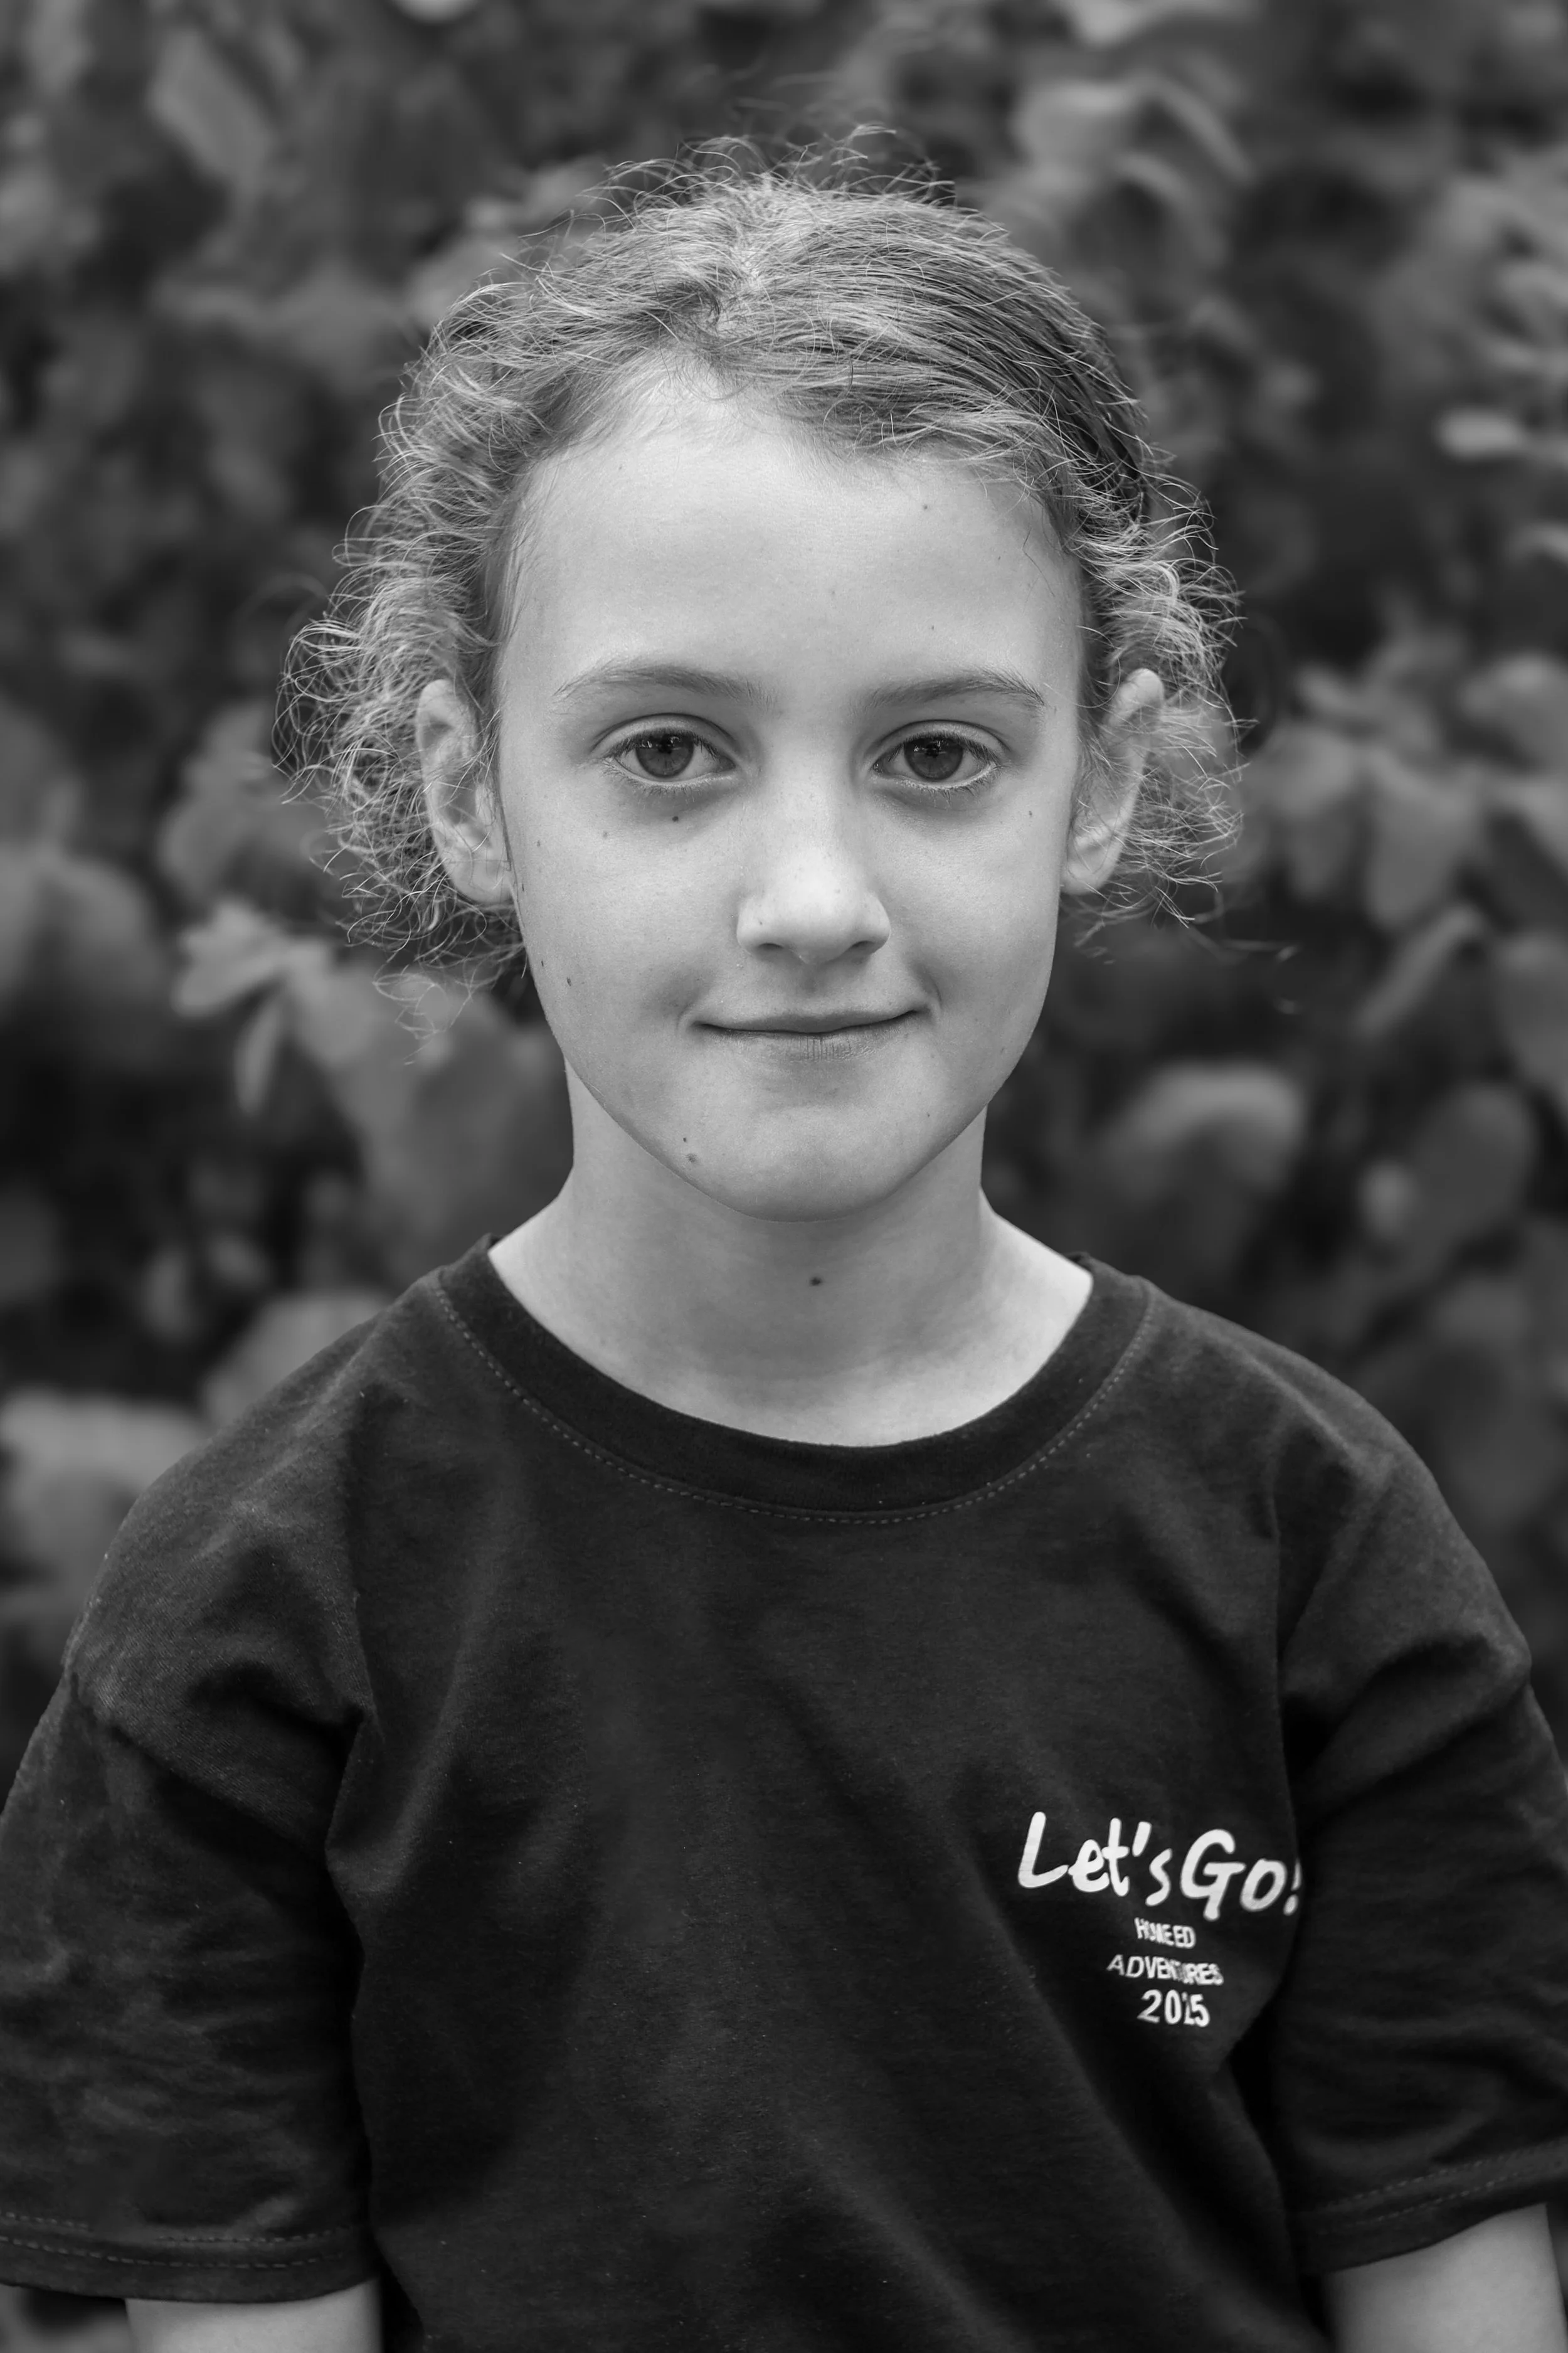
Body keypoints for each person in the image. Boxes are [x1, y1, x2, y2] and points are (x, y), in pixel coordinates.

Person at [1, 149, 1566, 2353]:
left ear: (1095, 789)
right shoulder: (265, 1614)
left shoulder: (1311, 1552)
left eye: (935, 753)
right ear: (469, 790)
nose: (809, 893)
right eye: (669, 752)